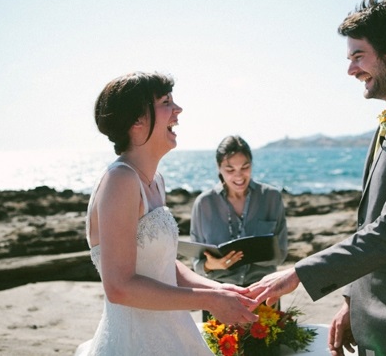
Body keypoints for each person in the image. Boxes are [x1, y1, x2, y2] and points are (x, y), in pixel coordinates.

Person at [247, 0, 386, 356]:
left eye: (358, 56)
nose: (351, 69)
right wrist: (353, 300)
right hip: (376, 315)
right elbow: (370, 224)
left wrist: (299, 273)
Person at [75, 72, 257, 356]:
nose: (178, 110)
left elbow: (162, 266)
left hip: (174, 332)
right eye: (165, 102)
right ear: (137, 120)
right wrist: (210, 301)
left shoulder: (155, 180)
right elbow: (120, 287)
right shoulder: (120, 181)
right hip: (134, 342)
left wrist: (222, 291)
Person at [190, 135, 288, 320]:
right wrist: (211, 265)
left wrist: (250, 255)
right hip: (219, 296)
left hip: (262, 295)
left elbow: (281, 253)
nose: (239, 175)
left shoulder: (272, 198)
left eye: (245, 167)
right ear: (219, 168)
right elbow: (197, 262)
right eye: (230, 169)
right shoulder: (204, 203)